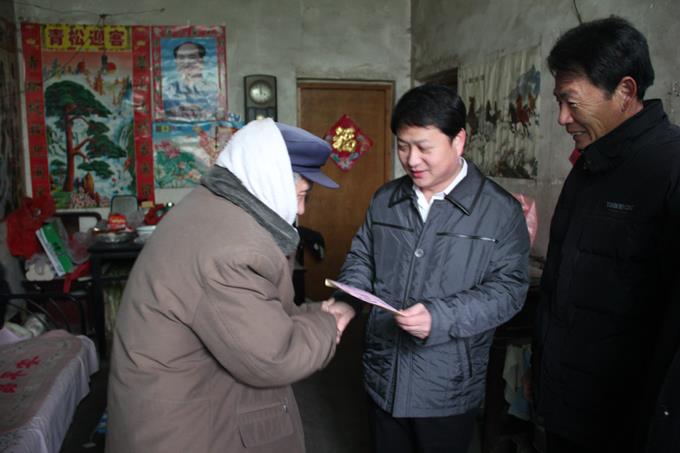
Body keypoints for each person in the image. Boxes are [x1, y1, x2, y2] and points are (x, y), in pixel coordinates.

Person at [106, 118, 345, 453]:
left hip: (171, 406)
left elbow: (256, 310)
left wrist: (311, 312)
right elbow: (275, 358)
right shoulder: (233, 250)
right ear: (271, 179)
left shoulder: (212, 206)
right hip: (185, 431)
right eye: (301, 196)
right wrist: (328, 323)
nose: (301, 210)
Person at [324, 84, 530, 453]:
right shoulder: (385, 200)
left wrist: (441, 317)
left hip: (447, 387)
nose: (412, 159)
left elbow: (509, 290)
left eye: (423, 147)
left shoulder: (499, 211)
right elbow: (363, 258)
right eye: (403, 146)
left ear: (458, 140)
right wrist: (347, 301)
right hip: (383, 376)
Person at [531, 16, 680, 453]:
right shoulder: (590, 165)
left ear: (626, 91)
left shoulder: (670, 169)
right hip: (567, 405)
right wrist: (542, 369)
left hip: (627, 420)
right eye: (559, 102)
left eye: (572, 102)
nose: (562, 118)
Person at [163, 41, 218, 120]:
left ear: (201, 61)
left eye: (192, 57)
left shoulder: (214, 90)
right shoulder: (167, 91)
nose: (186, 62)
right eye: (181, 58)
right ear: (176, 62)